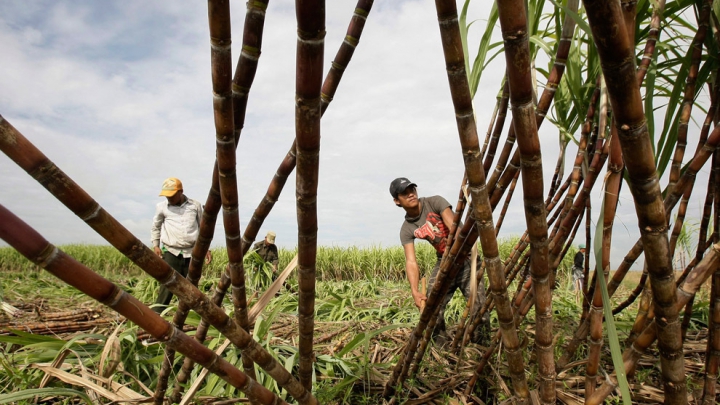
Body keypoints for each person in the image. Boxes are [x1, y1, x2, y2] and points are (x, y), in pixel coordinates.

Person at [390, 177, 489, 346]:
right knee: (431, 308)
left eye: (412, 190)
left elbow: (455, 229)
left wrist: (459, 255)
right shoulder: (406, 229)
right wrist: (414, 290)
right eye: (404, 194)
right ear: (397, 201)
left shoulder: (435, 202)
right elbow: (411, 261)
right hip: (443, 262)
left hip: (464, 257)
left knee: (479, 309)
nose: (411, 195)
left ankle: (480, 349)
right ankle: (441, 350)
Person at [150, 177, 211, 313]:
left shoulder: (195, 206)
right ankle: (157, 316)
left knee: (191, 288)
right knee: (167, 286)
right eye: (167, 196)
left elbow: (203, 228)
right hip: (171, 252)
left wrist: (206, 248)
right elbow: (156, 227)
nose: (169, 199)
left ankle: (188, 317)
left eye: (171, 195)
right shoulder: (162, 207)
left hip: (192, 253)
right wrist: (156, 245)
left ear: (181, 192)